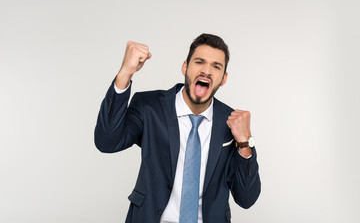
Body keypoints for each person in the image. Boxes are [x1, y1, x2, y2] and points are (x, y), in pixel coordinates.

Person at [94, 33, 261, 223]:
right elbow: (106, 142)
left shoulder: (230, 122)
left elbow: (246, 199)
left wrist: (244, 143)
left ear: (223, 78)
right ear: (185, 67)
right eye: (199, 62)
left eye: (216, 66)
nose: (207, 71)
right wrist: (125, 72)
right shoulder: (149, 107)